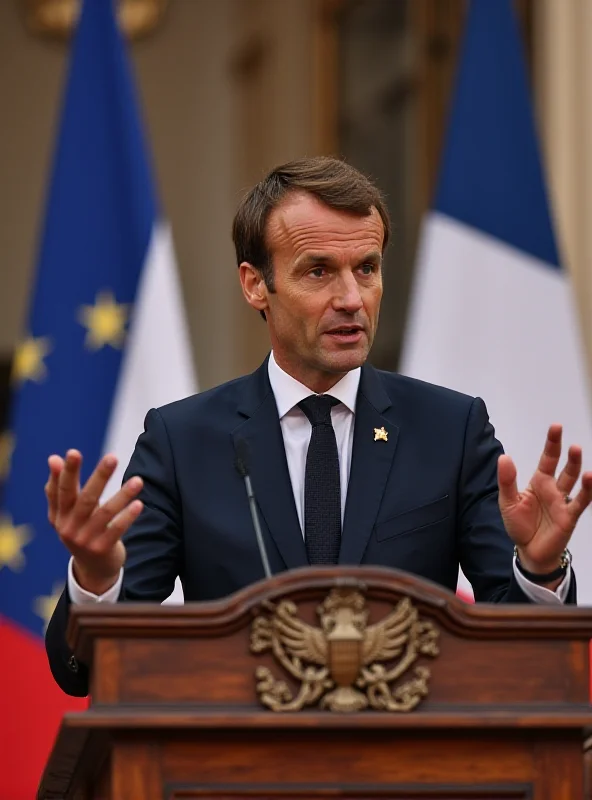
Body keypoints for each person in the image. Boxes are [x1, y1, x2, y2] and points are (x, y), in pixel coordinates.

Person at [45, 157, 592, 697]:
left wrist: (539, 572)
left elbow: (524, 655)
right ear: (256, 285)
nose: (352, 299)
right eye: (318, 271)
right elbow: (84, 671)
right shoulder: (182, 441)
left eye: (367, 269)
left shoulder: (450, 429)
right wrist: (96, 581)